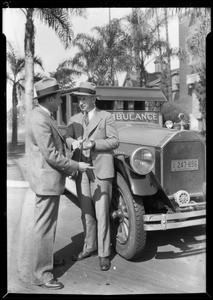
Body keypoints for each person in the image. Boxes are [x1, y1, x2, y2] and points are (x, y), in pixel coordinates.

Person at [25, 77, 94, 290]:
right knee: (44, 228)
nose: (61, 102)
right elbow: (52, 155)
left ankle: (47, 261)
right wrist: (77, 166)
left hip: (47, 180)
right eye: (58, 98)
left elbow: (56, 147)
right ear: (51, 98)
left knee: (47, 227)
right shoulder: (40, 119)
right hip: (46, 180)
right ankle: (42, 275)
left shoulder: (44, 115)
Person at [65, 81, 119, 271]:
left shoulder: (106, 117)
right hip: (83, 172)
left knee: (102, 214)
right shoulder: (75, 118)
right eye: (79, 99)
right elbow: (67, 137)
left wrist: (94, 144)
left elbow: (114, 142)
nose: (80, 102)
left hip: (101, 172)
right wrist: (73, 143)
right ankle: (89, 247)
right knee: (86, 213)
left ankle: (104, 254)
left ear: (93, 98)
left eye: (84, 98)